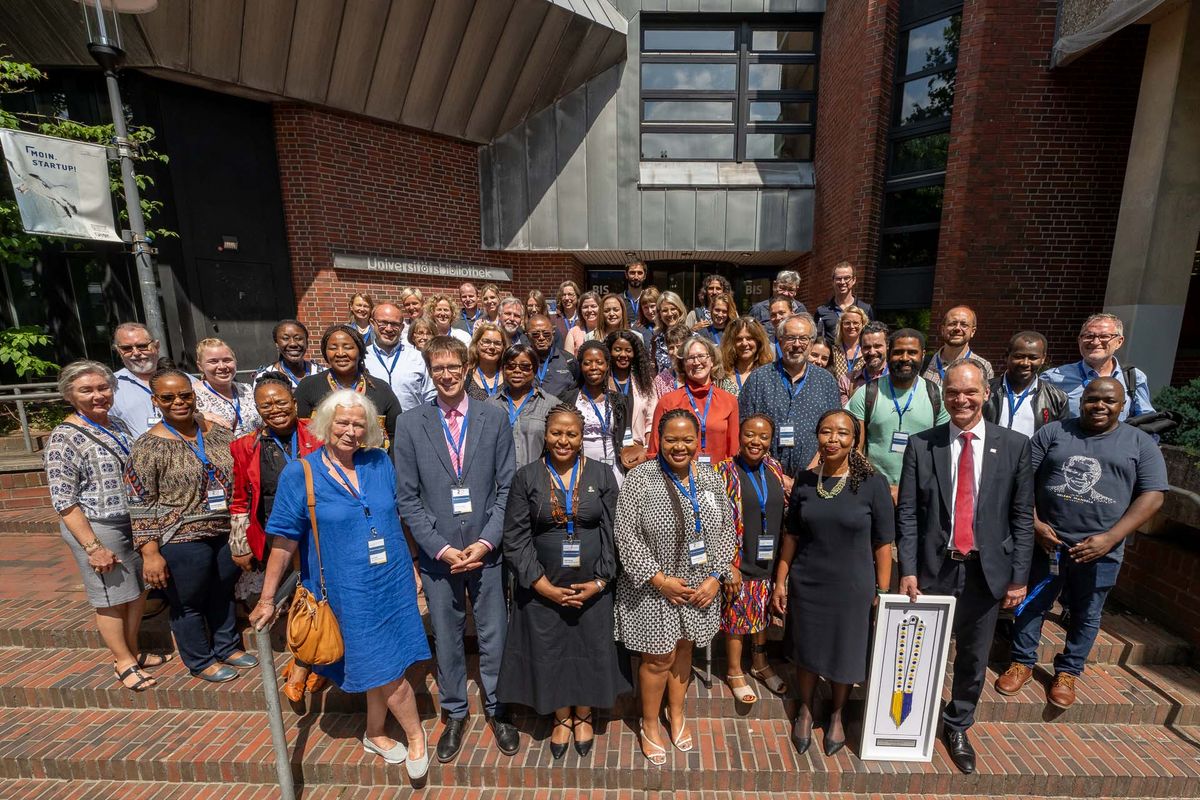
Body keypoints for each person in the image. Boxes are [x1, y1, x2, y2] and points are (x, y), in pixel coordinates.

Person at [250, 390, 431, 778]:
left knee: (383, 661)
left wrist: (415, 563)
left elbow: (398, 517)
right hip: (347, 589)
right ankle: (416, 735)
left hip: (392, 579)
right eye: (342, 422)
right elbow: (282, 540)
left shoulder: (379, 461)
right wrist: (268, 598)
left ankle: (374, 731)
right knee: (386, 667)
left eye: (358, 423)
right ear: (325, 424)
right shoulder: (301, 472)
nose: (350, 431)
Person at [895, 359, 1034, 774]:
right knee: (920, 652)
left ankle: (957, 724)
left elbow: (1022, 517)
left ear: (986, 393)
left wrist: (1019, 576)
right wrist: (908, 567)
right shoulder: (923, 444)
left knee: (973, 656)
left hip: (985, 571)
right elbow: (908, 514)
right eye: (953, 391)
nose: (961, 399)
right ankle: (912, 721)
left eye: (970, 392)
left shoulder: (1013, 445)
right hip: (934, 568)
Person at [995, 377, 1166, 708]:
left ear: (1122, 405)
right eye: (1092, 399)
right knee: (1032, 603)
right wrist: (1035, 524)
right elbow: (1021, 481)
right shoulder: (1055, 433)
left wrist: (1111, 538)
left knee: (1087, 613)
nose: (1099, 405)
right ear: (1082, 399)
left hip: (1100, 551)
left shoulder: (1140, 443)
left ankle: (1069, 671)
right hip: (1048, 544)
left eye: (1109, 401)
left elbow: (1153, 496)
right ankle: (1022, 662)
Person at [393, 336, 519, 761]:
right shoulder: (411, 423)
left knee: (493, 634)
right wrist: (441, 548)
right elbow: (407, 498)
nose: (446, 375)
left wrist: (486, 541)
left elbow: (507, 487)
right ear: (430, 371)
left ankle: (498, 708)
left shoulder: (494, 416)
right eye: (438, 368)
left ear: (467, 368)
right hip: (438, 556)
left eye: (453, 367)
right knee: (446, 638)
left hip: (487, 551)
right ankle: (455, 712)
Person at [497, 404, 628, 758]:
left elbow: (616, 532)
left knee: (588, 650)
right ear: (545, 434)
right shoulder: (527, 477)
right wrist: (541, 585)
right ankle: (559, 716)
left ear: (581, 436)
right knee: (550, 652)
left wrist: (602, 581)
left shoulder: (601, 474)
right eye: (557, 432)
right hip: (542, 590)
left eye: (571, 433)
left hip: (593, 589)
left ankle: (583, 713)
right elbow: (515, 538)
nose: (564, 440)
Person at [614, 409, 736, 765]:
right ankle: (649, 723)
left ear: (697, 442)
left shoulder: (712, 479)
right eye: (670, 439)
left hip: (700, 587)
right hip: (654, 588)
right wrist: (660, 581)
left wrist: (716, 577)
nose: (678, 447)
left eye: (686, 439)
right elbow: (626, 535)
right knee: (658, 658)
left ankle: (677, 714)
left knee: (684, 651)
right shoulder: (641, 478)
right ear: (659, 441)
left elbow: (728, 529)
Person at [775, 409, 893, 756]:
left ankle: (838, 713)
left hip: (853, 585)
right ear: (817, 436)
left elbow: (883, 543)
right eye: (826, 432)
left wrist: (883, 591)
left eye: (842, 433)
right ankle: (807, 708)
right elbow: (791, 536)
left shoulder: (874, 484)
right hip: (808, 582)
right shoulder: (805, 480)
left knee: (846, 650)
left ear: (854, 441)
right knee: (807, 649)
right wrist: (781, 581)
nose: (833, 439)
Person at [125, 368, 253, 683]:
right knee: (188, 600)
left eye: (185, 394)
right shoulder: (147, 447)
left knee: (223, 591)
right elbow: (139, 503)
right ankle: (199, 659)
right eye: (169, 397)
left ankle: (227, 645)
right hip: (181, 536)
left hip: (224, 529)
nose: (179, 402)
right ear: (156, 401)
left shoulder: (218, 432)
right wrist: (150, 552)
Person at [46, 360, 162, 692]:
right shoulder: (64, 437)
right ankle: (123, 661)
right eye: (87, 390)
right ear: (70, 394)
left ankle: (132, 650)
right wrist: (93, 547)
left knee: (136, 592)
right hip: (97, 526)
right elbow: (64, 500)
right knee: (111, 598)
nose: (98, 395)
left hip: (131, 521)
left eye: (103, 387)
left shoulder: (118, 423)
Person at [228, 373, 324, 706]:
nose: (275, 409)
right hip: (275, 533)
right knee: (295, 599)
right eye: (265, 404)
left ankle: (308, 662)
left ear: (295, 402)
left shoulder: (318, 432)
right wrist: (240, 542)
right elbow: (239, 497)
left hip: (317, 531)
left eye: (281, 401)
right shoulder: (244, 446)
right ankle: (308, 656)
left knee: (315, 595)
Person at [716, 415, 788, 705]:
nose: (755, 442)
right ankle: (734, 671)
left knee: (760, 612)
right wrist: (728, 563)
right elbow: (717, 522)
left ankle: (759, 664)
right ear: (740, 435)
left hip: (767, 555)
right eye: (749, 435)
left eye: (763, 437)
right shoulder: (724, 470)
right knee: (736, 614)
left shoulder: (774, 467)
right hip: (738, 557)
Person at [847, 328, 949, 498]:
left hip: (920, 491)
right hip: (874, 490)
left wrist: (907, 489)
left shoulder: (937, 396)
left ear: (923, 355)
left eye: (912, 352)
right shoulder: (867, 393)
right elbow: (855, 449)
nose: (905, 358)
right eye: (898, 352)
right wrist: (878, 486)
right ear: (888, 353)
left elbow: (942, 453)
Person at [738, 314, 841, 479]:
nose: (797, 344)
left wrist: (810, 471)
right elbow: (744, 427)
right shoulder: (759, 378)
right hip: (764, 475)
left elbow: (833, 432)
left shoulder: (826, 381)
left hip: (814, 477)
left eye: (803, 338)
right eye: (790, 338)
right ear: (779, 340)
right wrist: (778, 475)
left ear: (812, 343)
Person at [294, 325, 402, 446]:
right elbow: (299, 433)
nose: (340, 353)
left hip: (371, 461)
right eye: (333, 348)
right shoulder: (308, 386)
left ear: (360, 351)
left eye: (348, 347)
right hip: (324, 462)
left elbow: (396, 435)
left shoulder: (381, 389)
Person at [1042, 313, 1155, 422]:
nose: (1095, 342)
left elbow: (1146, 420)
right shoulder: (1053, 378)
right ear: (1079, 340)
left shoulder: (1133, 377)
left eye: (1104, 336)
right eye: (1089, 336)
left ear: (1119, 342)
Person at [649, 336, 740, 465]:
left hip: (720, 477)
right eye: (690, 358)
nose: (697, 362)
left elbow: (734, 450)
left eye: (702, 356)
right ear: (683, 364)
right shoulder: (667, 402)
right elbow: (654, 450)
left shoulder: (729, 401)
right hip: (679, 478)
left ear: (712, 360)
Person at [558, 341, 632, 475]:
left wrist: (628, 451)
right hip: (578, 470)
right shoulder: (568, 399)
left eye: (599, 362)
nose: (593, 367)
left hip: (612, 470)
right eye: (587, 363)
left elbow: (627, 433)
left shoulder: (620, 400)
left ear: (607, 365)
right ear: (580, 366)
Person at [982, 331, 1069, 437]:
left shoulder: (1057, 398)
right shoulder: (984, 390)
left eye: (1033, 358)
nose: (1025, 363)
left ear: (1043, 359)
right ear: (1007, 356)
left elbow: (1060, 439)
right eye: (1019, 356)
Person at [491, 344, 559, 467]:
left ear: (535, 370)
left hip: (537, 481)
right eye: (511, 366)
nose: (517, 371)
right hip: (500, 483)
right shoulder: (490, 405)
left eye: (525, 367)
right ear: (503, 370)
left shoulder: (552, 405)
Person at [364, 302, 435, 412]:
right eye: (383, 323)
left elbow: (430, 398)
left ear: (402, 328)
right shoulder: (362, 358)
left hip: (411, 426)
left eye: (394, 324)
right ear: (372, 323)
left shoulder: (419, 359)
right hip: (372, 427)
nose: (388, 329)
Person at [193, 338, 261, 438]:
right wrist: (194, 416)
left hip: (255, 451)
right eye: (213, 362)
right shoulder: (191, 395)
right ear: (200, 366)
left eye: (227, 360)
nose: (222, 366)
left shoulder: (248, 390)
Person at [110, 322, 165, 438]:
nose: (136, 353)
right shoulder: (109, 386)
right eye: (127, 348)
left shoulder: (186, 381)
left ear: (157, 346)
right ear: (119, 351)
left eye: (142, 346)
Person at [606, 329, 657, 449]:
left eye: (628, 350)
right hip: (608, 449)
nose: (623, 355)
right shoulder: (602, 381)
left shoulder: (645, 382)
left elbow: (651, 420)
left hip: (637, 449)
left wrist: (646, 449)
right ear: (609, 351)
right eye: (617, 349)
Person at [921, 305, 995, 386]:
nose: (957, 328)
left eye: (964, 325)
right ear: (943, 329)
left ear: (973, 331)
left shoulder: (983, 366)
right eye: (952, 323)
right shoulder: (923, 363)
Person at [815, 261, 875, 342]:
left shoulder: (865, 309)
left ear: (854, 280)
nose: (842, 282)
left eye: (847, 278)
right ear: (833, 281)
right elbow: (817, 339)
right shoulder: (822, 311)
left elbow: (871, 337)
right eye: (838, 279)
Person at [254, 319, 321, 388]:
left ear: (307, 343)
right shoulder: (265, 378)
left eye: (298, 338)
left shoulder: (322, 373)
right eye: (286, 338)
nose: (293, 344)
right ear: (277, 344)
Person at [527, 314, 579, 400]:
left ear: (553, 334)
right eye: (535, 334)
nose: (541, 338)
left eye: (546, 334)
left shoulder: (569, 360)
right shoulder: (521, 360)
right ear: (528, 336)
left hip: (560, 411)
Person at [839, 320, 889, 404]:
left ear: (887, 346)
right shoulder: (846, 382)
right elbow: (845, 414)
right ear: (861, 348)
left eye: (877, 346)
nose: (872, 352)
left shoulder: (898, 378)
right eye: (867, 347)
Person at [721, 317, 773, 396]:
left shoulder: (770, 374)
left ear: (758, 341)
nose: (744, 343)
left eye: (749, 338)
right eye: (739, 339)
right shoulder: (721, 375)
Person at [652, 322, 701, 398]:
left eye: (679, 347)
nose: (675, 352)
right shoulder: (660, 380)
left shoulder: (700, 374)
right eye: (671, 348)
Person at [466, 322, 509, 401]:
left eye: (497, 343)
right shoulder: (466, 374)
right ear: (476, 344)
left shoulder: (509, 375)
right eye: (486, 342)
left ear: (503, 347)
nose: (492, 347)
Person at [828, 306, 868, 389]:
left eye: (856, 323)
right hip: (837, 398)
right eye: (847, 323)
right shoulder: (832, 351)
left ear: (863, 325)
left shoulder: (868, 351)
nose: (851, 326)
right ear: (841, 325)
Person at [651, 291, 688, 373]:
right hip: (662, 384)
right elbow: (654, 369)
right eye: (665, 310)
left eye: (673, 309)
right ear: (659, 314)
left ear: (680, 310)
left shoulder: (692, 337)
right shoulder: (656, 340)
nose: (669, 314)